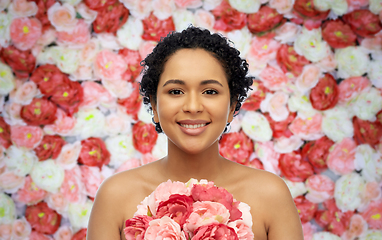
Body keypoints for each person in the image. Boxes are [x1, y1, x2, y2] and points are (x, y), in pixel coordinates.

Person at [87, 26, 303, 240]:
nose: (192, 106)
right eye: (176, 91)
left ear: (231, 107)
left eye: (210, 91)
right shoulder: (115, 196)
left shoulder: (270, 195)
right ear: (154, 105)